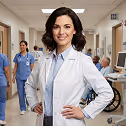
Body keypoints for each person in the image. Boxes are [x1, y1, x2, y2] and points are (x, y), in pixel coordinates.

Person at [25, 7, 114, 126]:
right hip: (44, 121)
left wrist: (85, 112)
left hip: (68, 122)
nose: (61, 32)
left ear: (74, 30)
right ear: (51, 30)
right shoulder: (43, 60)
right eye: (56, 27)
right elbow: (29, 84)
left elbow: (107, 92)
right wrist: (34, 103)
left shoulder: (83, 61)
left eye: (67, 27)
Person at [12, 40, 35, 115]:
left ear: (26, 46)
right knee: (20, 93)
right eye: (21, 45)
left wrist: (33, 78)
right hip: (19, 77)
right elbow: (15, 67)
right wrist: (13, 76)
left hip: (28, 77)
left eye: (23, 45)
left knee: (27, 92)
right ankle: (22, 108)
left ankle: (29, 105)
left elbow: (32, 68)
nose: (22, 47)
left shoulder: (30, 55)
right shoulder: (17, 56)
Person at [0, 44, 10, 125]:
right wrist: (8, 81)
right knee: (2, 100)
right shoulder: (3, 57)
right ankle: (2, 119)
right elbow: (6, 70)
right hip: (2, 82)